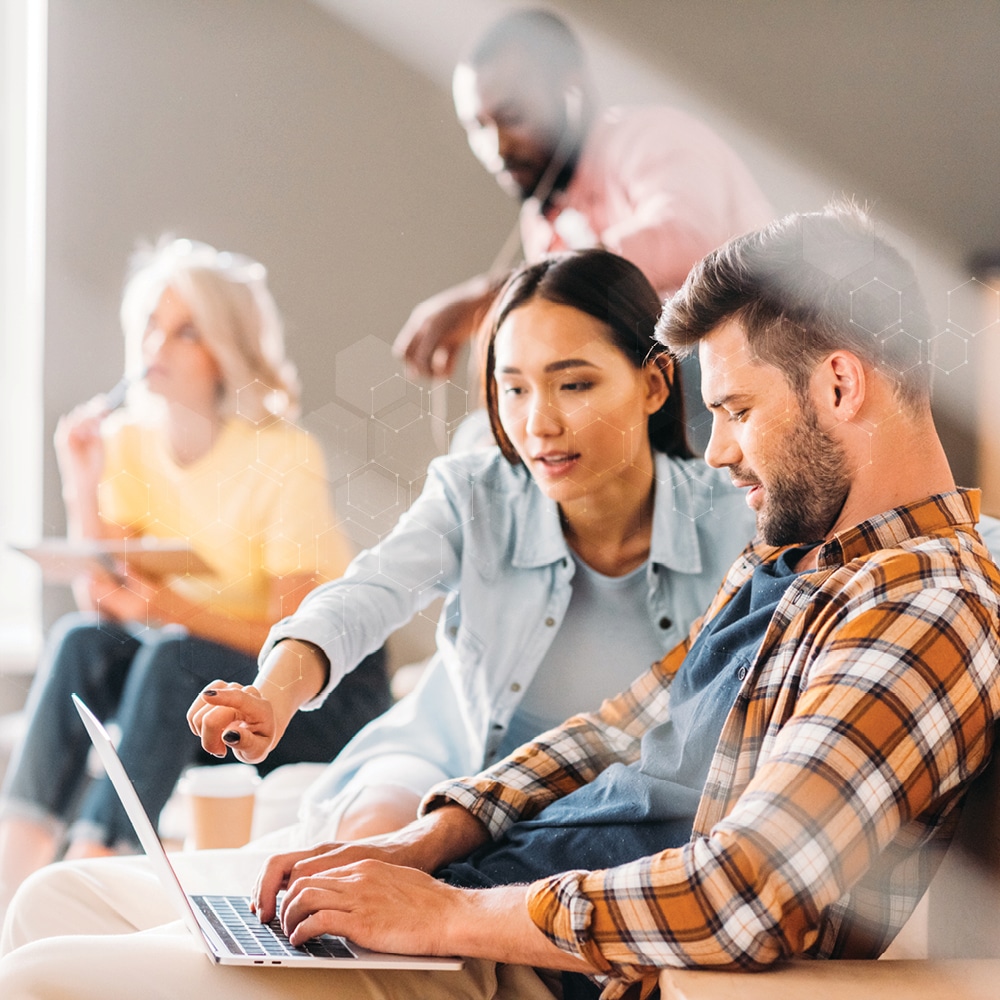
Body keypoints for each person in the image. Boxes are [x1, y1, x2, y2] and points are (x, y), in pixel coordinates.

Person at [4, 205, 1000, 1000]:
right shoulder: (797, 561)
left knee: (43, 978)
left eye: (736, 410)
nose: (722, 445)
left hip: (521, 954)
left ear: (838, 385)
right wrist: (431, 835)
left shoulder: (922, 608)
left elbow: (741, 894)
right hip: (474, 894)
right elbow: (621, 726)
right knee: (59, 898)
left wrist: (431, 914)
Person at [191, 248, 756, 843]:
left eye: (574, 384)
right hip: (449, 762)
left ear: (654, 384)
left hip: (616, 799)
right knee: (363, 853)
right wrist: (270, 695)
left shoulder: (733, 517)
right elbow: (368, 593)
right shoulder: (475, 493)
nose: (539, 423)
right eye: (513, 389)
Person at [0, 238, 391, 913]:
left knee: (175, 656)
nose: (160, 343)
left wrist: (171, 609)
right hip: (201, 684)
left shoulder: (282, 455)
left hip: (311, 691)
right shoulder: (128, 442)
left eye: (186, 331)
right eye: (153, 323)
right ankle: (15, 867)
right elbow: (110, 600)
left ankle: (96, 861)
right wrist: (81, 479)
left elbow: (288, 630)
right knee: (79, 641)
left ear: (224, 353)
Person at [394, 7, 772, 382]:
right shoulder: (543, 217)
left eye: (512, 116)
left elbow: (685, 240)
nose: (497, 147)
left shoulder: (653, 136)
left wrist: (496, 291)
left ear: (571, 92)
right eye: (478, 126)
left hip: (751, 361)